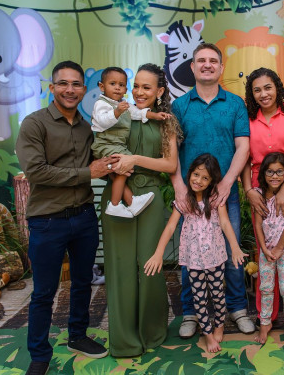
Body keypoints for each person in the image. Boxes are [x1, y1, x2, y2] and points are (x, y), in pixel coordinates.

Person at [16, 61, 111, 375]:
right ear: (52, 87)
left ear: (84, 89)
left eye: (76, 84)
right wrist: (87, 173)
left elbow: (101, 161)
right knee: (44, 292)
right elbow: (37, 172)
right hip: (47, 221)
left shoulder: (86, 127)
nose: (70, 90)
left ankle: (78, 336)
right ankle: (39, 354)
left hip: (84, 218)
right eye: (63, 83)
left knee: (83, 283)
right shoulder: (34, 124)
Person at [171, 43, 254, 337]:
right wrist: (179, 186)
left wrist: (228, 182)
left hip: (224, 196)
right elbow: (171, 151)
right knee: (189, 255)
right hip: (190, 197)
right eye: (201, 60)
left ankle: (237, 308)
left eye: (213, 61)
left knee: (231, 253)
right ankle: (191, 312)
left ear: (221, 67)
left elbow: (243, 146)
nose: (207, 65)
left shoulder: (235, 104)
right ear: (192, 67)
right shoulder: (179, 106)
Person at [100, 63, 181, 357]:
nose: (138, 92)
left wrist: (134, 159)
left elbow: (170, 164)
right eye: (136, 86)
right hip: (117, 195)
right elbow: (101, 147)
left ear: (159, 91)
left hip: (151, 196)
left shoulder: (166, 122)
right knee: (120, 267)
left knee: (150, 266)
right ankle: (124, 340)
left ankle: (152, 332)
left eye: (146, 87)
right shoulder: (118, 113)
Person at [144, 153, 248, 353]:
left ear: (212, 181)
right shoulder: (183, 201)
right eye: (196, 174)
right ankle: (208, 334)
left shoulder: (216, 199)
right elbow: (170, 227)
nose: (198, 180)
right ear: (190, 173)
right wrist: (158, 253)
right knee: (199, 298)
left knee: (217, 295)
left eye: (205, 177)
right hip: (193, 260)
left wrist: (235, 247)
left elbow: (225, 223)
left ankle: (219, 326)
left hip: (216, 258)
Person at [241, 67, 284, 336]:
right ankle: (265, 317)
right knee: (265, 252)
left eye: (268, 87)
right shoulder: (247, 119)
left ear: (277, 87)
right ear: (252, 94)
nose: (263, 94)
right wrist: (249, 190)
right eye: (257, 89)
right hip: (261, 191)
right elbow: (244, 159)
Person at [91, 66, 171, 218]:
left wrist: (155, 116)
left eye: (121, 85)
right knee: (124, 166)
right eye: (113, 84)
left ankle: (130, 201)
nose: (117, 88)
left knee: (122, 169)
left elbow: (138, 113)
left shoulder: (124, 105)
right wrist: (117, 112)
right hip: (107, 144)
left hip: (149, 188)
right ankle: (115, 204)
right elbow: (102, 121)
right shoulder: (102, 104)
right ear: (102, 86)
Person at [252, 152, 284, 344]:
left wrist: (279, 249)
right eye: (270, 172)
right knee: (266, 287)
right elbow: (258, 224)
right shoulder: (258, 195)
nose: (274, 176)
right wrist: (264, 249)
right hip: (266, 250)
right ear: (263, 173)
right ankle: (265, 324)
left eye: (279, 172)